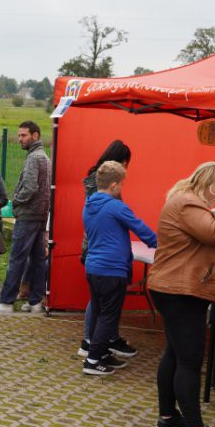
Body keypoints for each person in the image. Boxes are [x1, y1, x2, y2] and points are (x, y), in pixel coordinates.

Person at [147, 162, 215, 427]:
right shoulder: (188, 202)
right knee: (189, 359)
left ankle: (167, 415)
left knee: (175, 353)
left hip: (173, 287)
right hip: (181, 290)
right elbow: (214, 233)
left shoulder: (184, 200)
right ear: (205, 184)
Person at [81, 161, 157, 375]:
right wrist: (165, 245)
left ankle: (101, 353)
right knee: (108, 316)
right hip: (112, 269)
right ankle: (93, 361)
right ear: (114, 185)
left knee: (98, 310)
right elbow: (142, 229)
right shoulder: (116, 206)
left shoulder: (89, 205)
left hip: (93, 267)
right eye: (121, 185)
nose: (121, 188)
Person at [78, 140, 137, 360]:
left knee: (101, 300)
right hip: (101, 249)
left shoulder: (95, 179)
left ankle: (101, 341)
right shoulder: (102, 185)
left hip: (95, 246)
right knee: (102, 302)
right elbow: (116, 215)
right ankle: (93, 344)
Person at [0, 121, 50, 314]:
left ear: (35, 135)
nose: (20, 139)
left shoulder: (33, 159)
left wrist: (16, 202)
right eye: (19, 135)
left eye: (24, 135)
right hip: (40, 215)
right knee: (38, 260)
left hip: (28, 215)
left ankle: (6, 302)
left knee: (17, 258)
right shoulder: (45, 157)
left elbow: (30, 188)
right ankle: (35, 301)